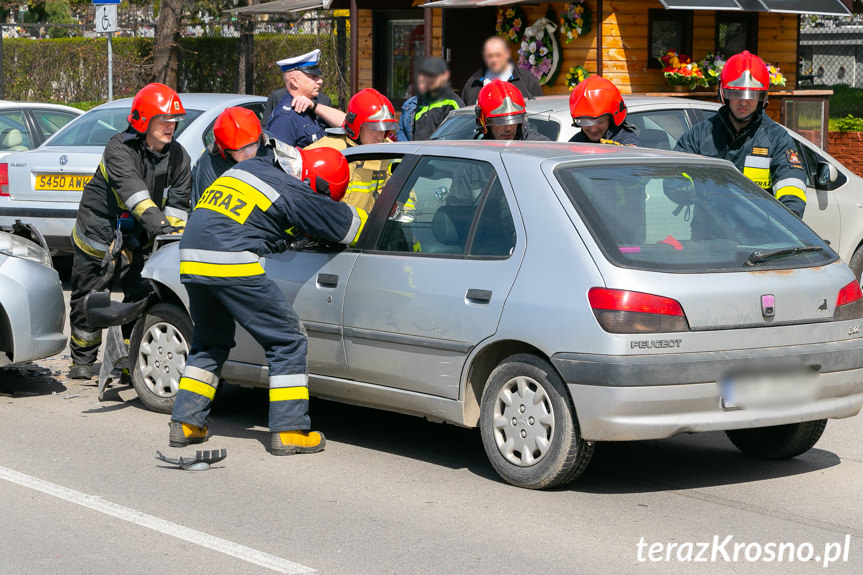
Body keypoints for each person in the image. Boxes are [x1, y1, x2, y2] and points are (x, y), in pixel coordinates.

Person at [169, 142, 367, 455]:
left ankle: (186, 422)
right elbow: (351, 228)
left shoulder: (252, 167)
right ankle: (290, 430)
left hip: (191, 258)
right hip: (230, 260)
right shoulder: (291, 187)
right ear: (314, 183)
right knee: (287, 339)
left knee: (210, 341)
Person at [68, 83, 191, 380]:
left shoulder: (179, 157)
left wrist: (170, 241)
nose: (171, 126)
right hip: (100, 227)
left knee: (143, 292)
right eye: (164, 120)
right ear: (144, 121)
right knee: (92, 294)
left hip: (144, 232)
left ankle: (128, 358)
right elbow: (135, 196)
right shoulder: (119, 149)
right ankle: (82, 360)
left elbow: (178, 206)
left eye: (174, 121)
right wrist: (161, 227)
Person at [675, 50, 807, 217]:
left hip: (758, 238)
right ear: (724, 94)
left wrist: (789, 218)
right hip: (707, 236)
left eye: (751, 94)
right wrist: (684, 190)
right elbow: (674, 177)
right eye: (736, 93)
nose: (743, 101)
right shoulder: (700, 134)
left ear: (762, 97)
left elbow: (791, 183)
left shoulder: (776, 139)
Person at [306, 88, 397, 212]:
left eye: (384, 128)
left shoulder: (391, 150)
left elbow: (403, 188)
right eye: (373, 128)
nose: (379, 135)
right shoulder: (329, 150)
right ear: (356, 125)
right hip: (336, 225)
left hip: (370, 226)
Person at [267, 49, 347, 148]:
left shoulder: (313, 105)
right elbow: (282, 160)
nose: (320, 81)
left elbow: (346, 124)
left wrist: (314, 106)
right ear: (295, 81)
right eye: (313, 76)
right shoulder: (285, 118)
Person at [191, 107, 265, 205]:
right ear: (225, 151)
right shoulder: (209, 168)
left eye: (253, 145)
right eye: (241, 150)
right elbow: (206, 215)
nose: (250, 153)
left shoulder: (267, 145)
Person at [462, 35, 543, 105]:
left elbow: (539, 112)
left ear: (507, 53)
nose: (494, 60)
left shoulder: (527, 81)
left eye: (498, 55)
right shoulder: (473, 83)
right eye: (490, 56)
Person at [568, 75, 640, 146]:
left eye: (600, 121)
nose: (593, 129)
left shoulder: (627, 143)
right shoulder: (575, 143)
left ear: (612, 119)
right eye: (586, 122)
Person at [475, 79, 548, 141]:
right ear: (483, 123)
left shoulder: (538, 146)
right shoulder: (476, 151)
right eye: (501, 121)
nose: (508, 128)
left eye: (515, 119)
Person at [410, 57, 464, 141]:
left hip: (441, 152)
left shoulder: (453, 102)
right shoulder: (419, 102)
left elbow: (461, 134)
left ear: (444, 76)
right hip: (419, 152)